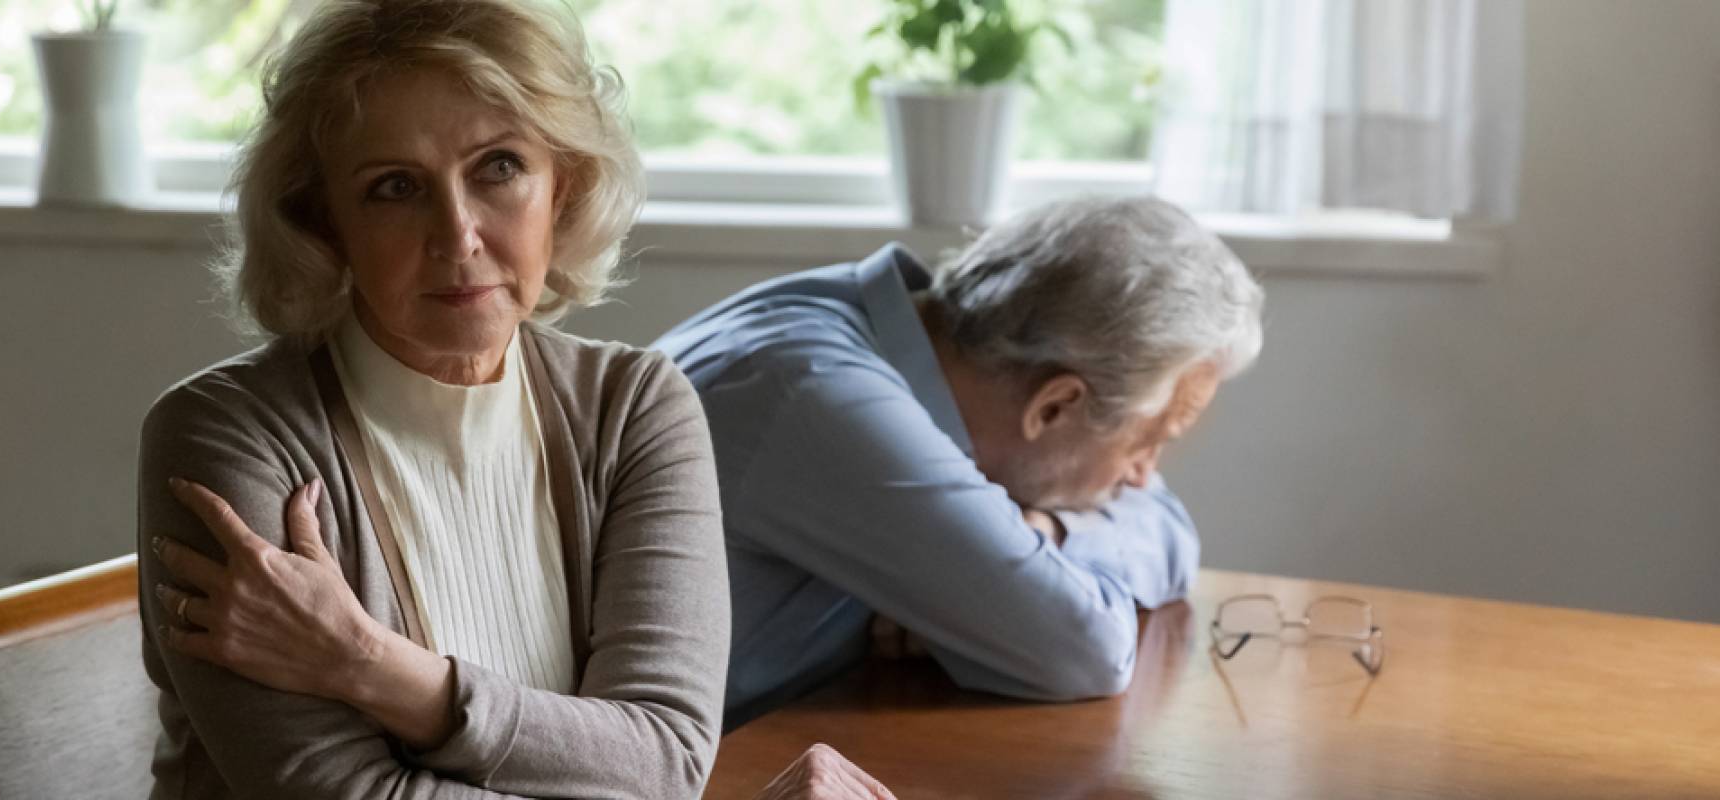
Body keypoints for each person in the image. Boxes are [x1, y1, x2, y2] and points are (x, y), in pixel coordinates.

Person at [135, 1, 745, 796]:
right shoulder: (228, 438)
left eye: (498, 167)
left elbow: (665, 761)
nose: (457, 234)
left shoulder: (634, 409)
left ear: (564, 184)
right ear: (325, 224)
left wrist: (367, 662)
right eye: (395, 187)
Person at [655, 196, 1266, 726]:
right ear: (1054, 407)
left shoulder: (895, 334)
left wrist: (1050, 532)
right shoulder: (816, 391)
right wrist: (1021, 587)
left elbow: (1170, 529)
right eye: (1147, 442)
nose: (1143, 474)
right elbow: (1083, 652)